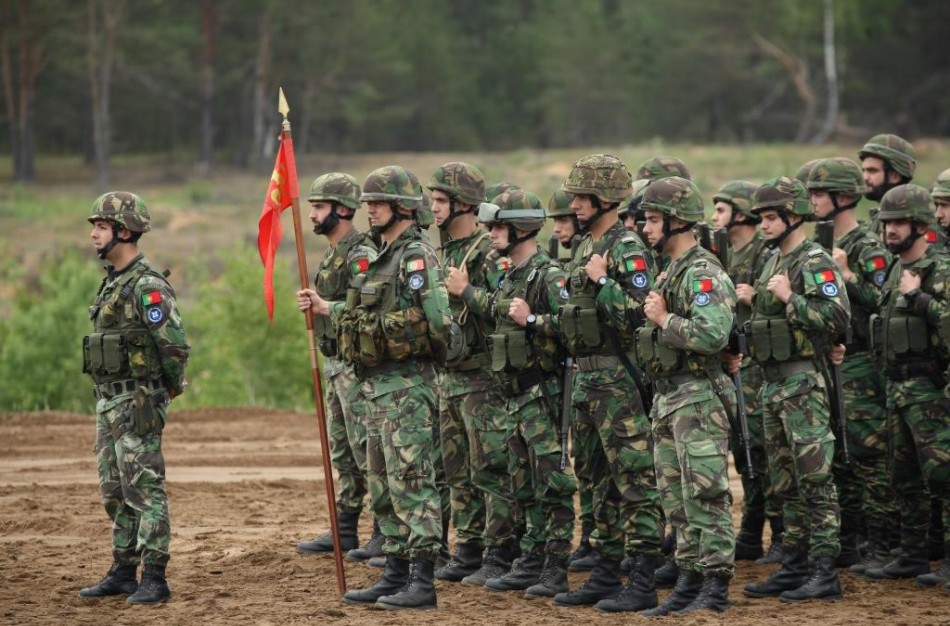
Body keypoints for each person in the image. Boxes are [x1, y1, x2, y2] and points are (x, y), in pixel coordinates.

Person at [299, 165, 450, 610]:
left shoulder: (416, 256)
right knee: (383, 483)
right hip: (377, 385)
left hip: (407, 385)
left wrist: (385, 331)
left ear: (404, 207)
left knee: (411, 480)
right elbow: (362, 310)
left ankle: (422, 582)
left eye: (380, 203)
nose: (372, 210)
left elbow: (439, 323)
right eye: (369, 203)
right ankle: (395, 573)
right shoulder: (385, 254)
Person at [450, 189, 578, 598]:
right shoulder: (510, 273)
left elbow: (572, 329)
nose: (491, 233)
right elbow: (497, 310)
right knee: (523, 483)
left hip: (542, 393)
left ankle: (554, 566)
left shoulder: (549, 275)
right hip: (514, 396)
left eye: (499, 226)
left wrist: (534, 319)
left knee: (552, 483)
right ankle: (531, 557)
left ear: (522, 229)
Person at [551, 154, 664, 611]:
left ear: (605, 198)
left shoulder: (627, 248)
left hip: (619, 378)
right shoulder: (581, 246)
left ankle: (642, 576)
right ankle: (605, 565)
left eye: (582, 196)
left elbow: (642, 315)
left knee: (634, 479)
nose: (574, 204)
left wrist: (602, 284)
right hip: (585, 375)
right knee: (593, 477)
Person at [740, 176, 849, 603]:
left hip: (802, 383)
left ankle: (824, 570)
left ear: (793, 216)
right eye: (762, 218)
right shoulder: (772, 260)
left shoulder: (813, 260)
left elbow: (837, 317)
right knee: (783, 481)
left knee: (815, 478)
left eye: (770, 217)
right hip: (771, 383)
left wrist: (790, 298)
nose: (763, 225)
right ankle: (794, 563)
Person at [79, 192, 190, 605]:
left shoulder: (147, 286)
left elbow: (174, 347)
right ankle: (124, 570)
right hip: (108, 401)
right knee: (114, 490)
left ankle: (155, 576)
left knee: (145, 487)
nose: (93, 234)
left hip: (138, 401)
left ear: (124, 231)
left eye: (101, 227)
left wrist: (165, 391)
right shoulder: (113, 281)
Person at [634, 176, 738, 615]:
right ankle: (689, 577)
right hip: (670, 396)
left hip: (698, 397)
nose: (646, 228)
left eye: (655, 220)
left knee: (706, 493)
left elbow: (712, 335)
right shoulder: (671, 271)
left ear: (678, 223)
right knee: (676, 497)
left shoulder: (702, 272)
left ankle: (714, 585)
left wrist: (663, 320)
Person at [805, 157, 896, 571]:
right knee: (838, 455)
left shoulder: (868, 247)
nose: (812, 201)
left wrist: (848, 275)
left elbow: (886, 302)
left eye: (818, 194)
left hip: (861, 362)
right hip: (830, 361)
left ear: (842, 198)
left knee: (868, 453)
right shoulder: (815, 245)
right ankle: (849, 538)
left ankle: (882, 545)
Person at [428, 161, 514, 585]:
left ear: (464, 205)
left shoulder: (487, 253)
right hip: (451, 376)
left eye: (441, 201)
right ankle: (469, 547)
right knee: (455, 468)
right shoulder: (446, 252)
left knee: (491, 467)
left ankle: (500, 551)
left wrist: (468, 292)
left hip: (483, 376)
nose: (434, 208)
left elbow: (506, 310)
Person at [865, 184, 950, 588]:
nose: (891, 230)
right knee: (904, 477)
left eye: (900, 223)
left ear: (920, 225)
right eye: (887, 223)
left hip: (932, 390)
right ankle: (912, 554)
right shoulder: (894, 271)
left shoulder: (942, 270)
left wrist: (920, 300)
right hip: (896, 389)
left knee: (944, 476)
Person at [294, 173, 382, 561]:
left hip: (358, 366)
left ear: (343, 210)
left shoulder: (362, 251)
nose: (312, 215)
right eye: (311, 207)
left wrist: (327, 307)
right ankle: (344, 528)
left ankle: (383, 531)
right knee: (344, 451)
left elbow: (371, 306)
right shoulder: (334, 252)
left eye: (319, 207)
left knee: (368, 450)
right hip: (336, 363)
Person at [709, 179, 785, 565]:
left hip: (758, 367)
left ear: (741, 214)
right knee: (743, 450)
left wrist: (751, 299)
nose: (714, 217)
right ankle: (752, 531)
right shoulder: (718, 253)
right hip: (733, 364)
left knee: (763, 452)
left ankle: (780, 531)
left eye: (721, 210)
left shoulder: (764, 254)